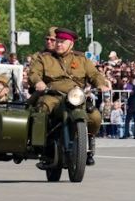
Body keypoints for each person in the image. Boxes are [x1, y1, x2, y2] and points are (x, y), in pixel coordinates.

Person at [27, 27, 110, 164]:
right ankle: (41, 147)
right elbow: (34, 73)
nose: (58, 44)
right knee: (42, 108)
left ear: (71, 44)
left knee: (94, 116)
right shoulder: (45, 58)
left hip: (75, 96)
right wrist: (39, 82)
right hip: (52, 95)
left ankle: (88, 146)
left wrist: (101, 84)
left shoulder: (81, 59)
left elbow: (94, 74)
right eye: (57, 41)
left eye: (62, 42)